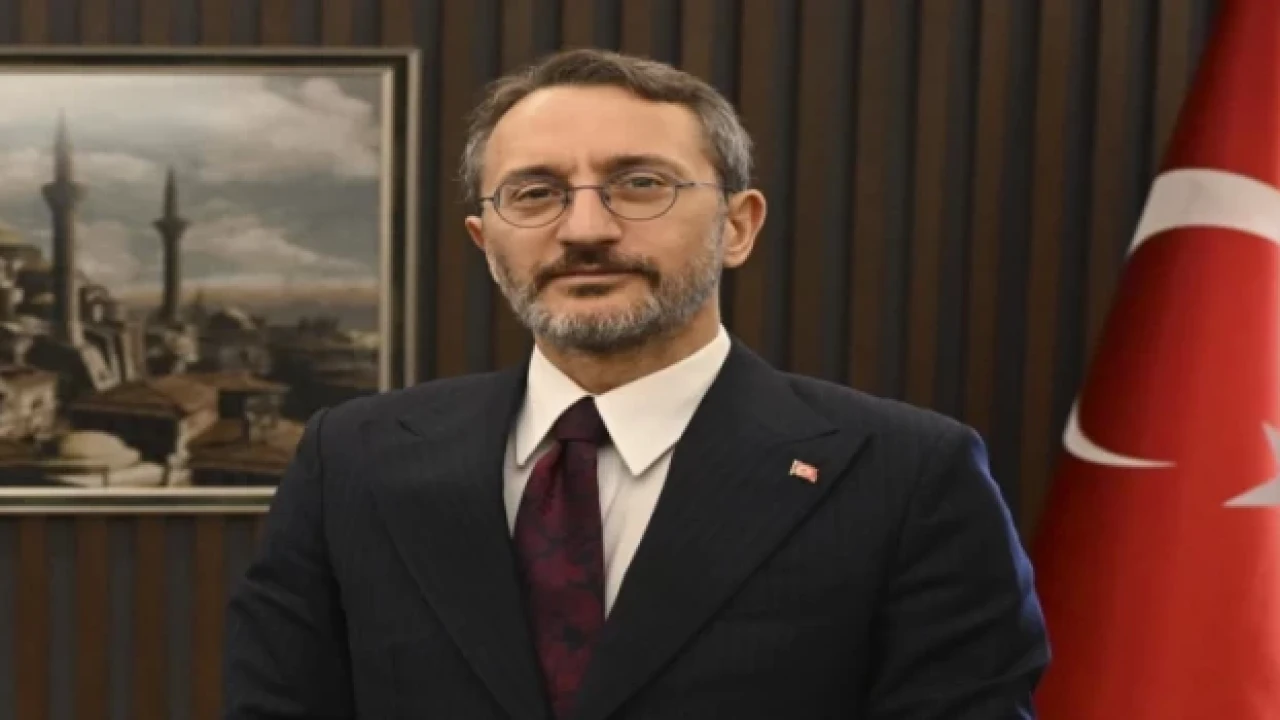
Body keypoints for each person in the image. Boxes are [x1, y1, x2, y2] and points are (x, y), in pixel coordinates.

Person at [222, 48, 1049, 720]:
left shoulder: (907, 474)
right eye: (536, 193)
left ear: (737, 226)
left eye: (640, 184)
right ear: (486, 243)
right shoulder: (353, 460)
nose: (585, 228)